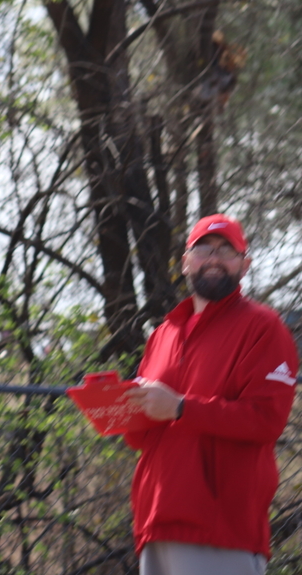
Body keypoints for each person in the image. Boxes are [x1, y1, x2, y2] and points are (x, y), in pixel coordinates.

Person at [124, 214, 298, 575]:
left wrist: (181, 408)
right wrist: (116, 410)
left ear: (244, 265)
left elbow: (266, 420)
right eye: (204, 249)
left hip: (222, 531)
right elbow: (140, 436)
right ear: (185, 261)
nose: (215, 258)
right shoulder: (163, 335)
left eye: (227, 251)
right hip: (155, 525)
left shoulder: (263, 327)